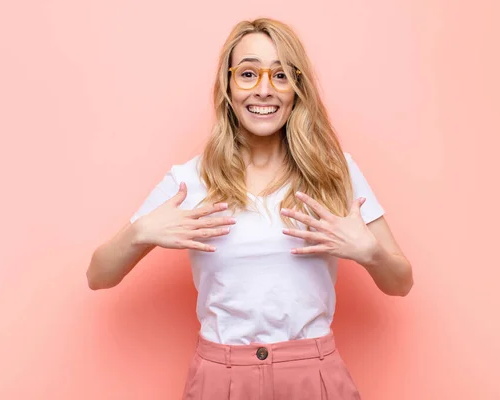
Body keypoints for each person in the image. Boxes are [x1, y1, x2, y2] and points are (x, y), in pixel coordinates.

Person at [86, 17, 413, 400]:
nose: (263, 90)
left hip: (314, 376)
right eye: (247, 74)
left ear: (297, 88)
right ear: (227, 85)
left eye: (280, 76)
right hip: (219, 379)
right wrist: (138, 231)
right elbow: (98, 276)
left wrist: (371, 254)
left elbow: (401, 283)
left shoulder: (334, 171)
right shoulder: (189, 180)